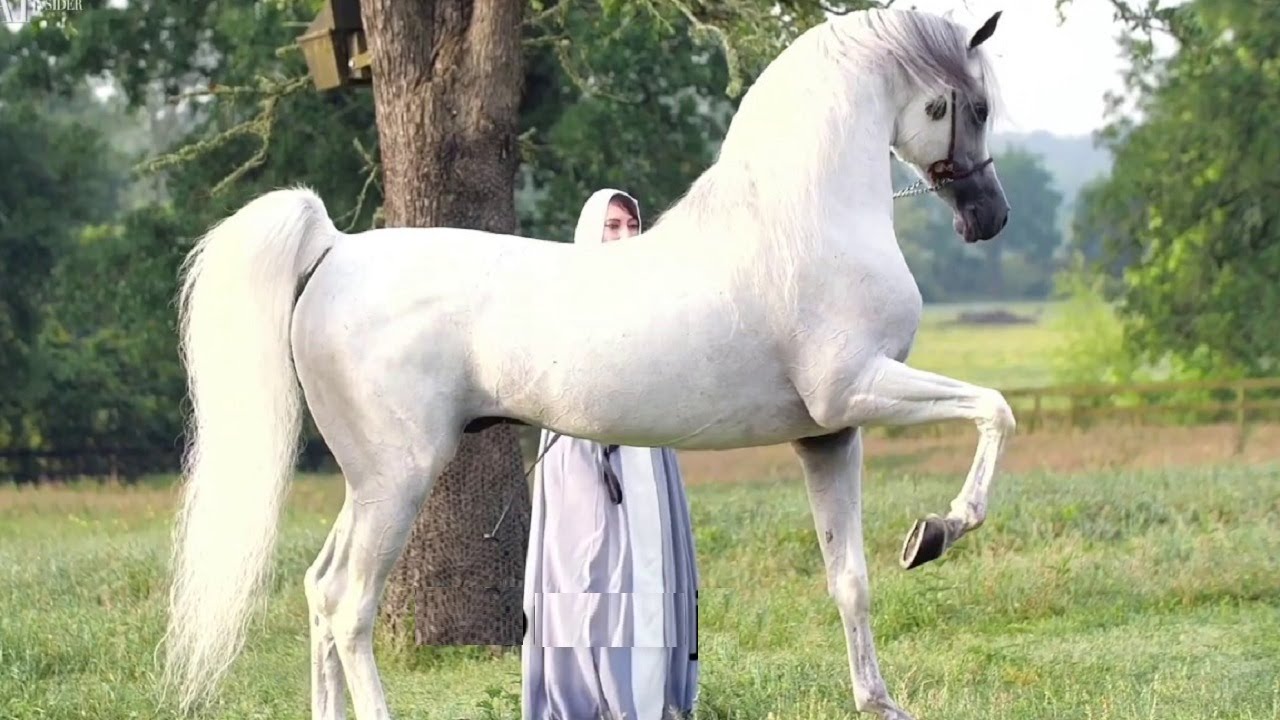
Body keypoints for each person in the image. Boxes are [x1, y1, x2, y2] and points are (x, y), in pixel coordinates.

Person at [521, 189, 700, 720]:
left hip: (645, 452)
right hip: (581, 454)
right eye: (612, 226)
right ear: (591, 233)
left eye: (631, 225)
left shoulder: (653, 296)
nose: (624, 236)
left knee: (647, 572)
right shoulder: (568, 296)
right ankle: (587, 699)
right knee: (588, 575)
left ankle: (645, 700)